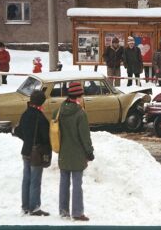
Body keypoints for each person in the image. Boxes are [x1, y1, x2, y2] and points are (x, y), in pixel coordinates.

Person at [54, 82, 94, 221]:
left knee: (64, 182)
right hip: (77, 154)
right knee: (77, 183)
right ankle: (77, 212)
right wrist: (90, 152)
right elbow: (85, 136)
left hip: (64, 153)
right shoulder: (80, 113)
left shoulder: (59, 110)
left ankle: (63, 210)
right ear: (79, 96)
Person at [13, 90, 51, 216]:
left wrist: (27, 139)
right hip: (37, 153)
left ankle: (25, 207)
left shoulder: (25, 113)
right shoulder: (40, 117)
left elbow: (17, 131)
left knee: (26, 180)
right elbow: (45, 137)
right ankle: (34, 208)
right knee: (35, 181)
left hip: (26, 150)